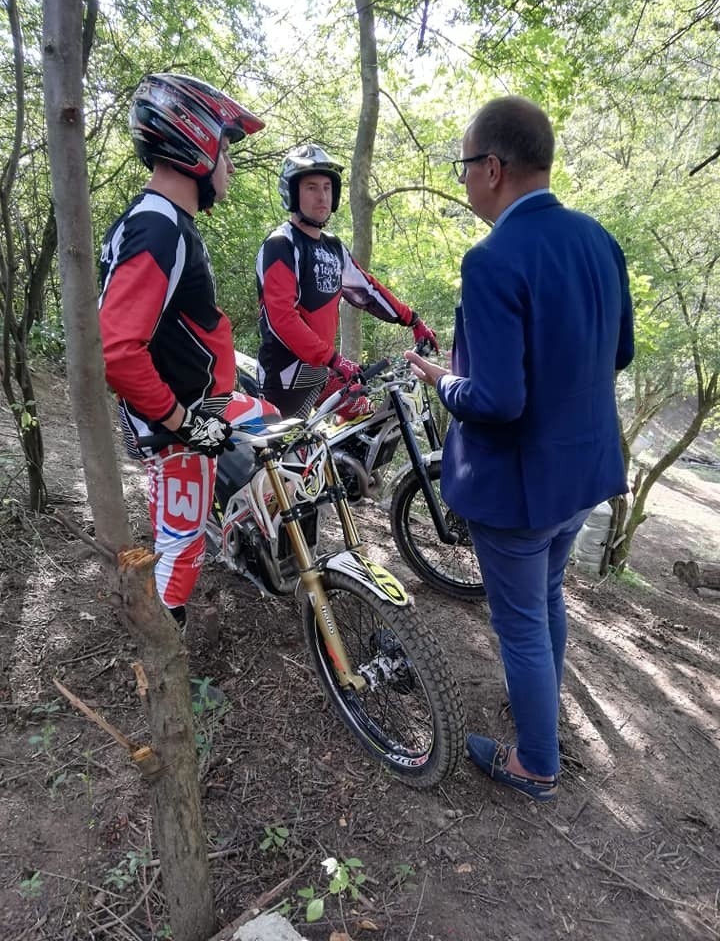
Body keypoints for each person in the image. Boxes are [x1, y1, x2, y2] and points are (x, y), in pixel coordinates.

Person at [406, 96, 634, 802]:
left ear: (494, 168)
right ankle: (539, 712)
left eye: (466, 165)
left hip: (521, 487)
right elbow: (618, 351)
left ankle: (536, 763)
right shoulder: (598, 238)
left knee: (522, 625)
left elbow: (498, 402)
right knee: (548, 599)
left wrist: (445, 382)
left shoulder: (493, 258)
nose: (465, 178)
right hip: (583, 475)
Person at [98, 73, 278, 633]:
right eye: (226, 148)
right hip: (177, 425)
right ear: (195, 142)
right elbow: (120, 352)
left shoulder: (162, 222)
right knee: (180, 551)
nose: (229, 164)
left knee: (271, 421)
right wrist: (182, 424)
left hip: (197, 408)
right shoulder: (159, 229)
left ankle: (235, 524)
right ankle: (161, 667)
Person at [255, 143, 439, 420]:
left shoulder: (333, 247)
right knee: (291, 460)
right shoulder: (281, 244)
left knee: (367, 421)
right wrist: (333, 359)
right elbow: (282, 318)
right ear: (292, 192)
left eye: (327, 188)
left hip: (323, 369)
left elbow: (368, 290)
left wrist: (413, 320)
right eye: (312, 188)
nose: (322, 197)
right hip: (286, 377)